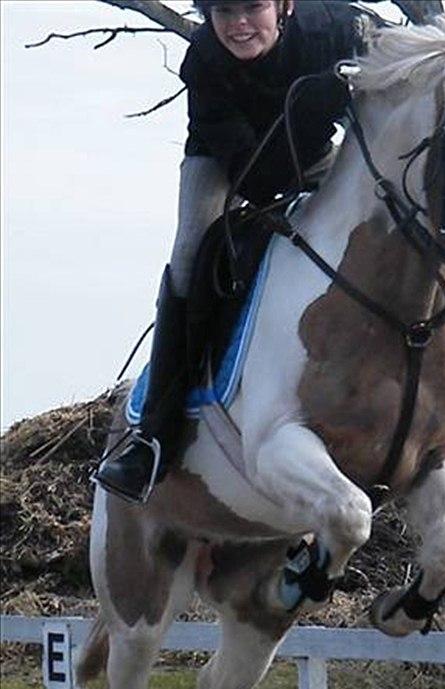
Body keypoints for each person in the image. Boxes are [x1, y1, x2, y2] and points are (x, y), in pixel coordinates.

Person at [94, 0, 376, 503]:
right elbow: (257, 173)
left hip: (312, 155)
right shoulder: (203, 60)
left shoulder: (338, 25)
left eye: (253, 7)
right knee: (189, 256)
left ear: (285, 4)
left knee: (398, 228)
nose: (240, 24)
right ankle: (154, 435)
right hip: (228, 161)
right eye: (225, 12)